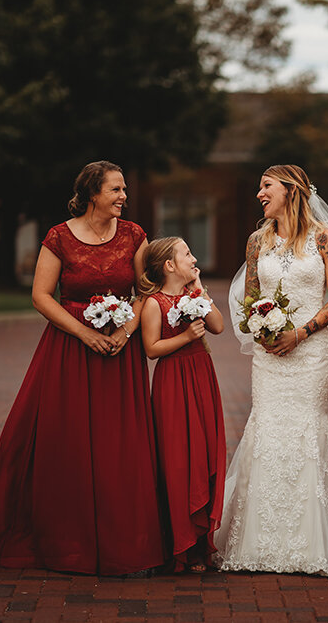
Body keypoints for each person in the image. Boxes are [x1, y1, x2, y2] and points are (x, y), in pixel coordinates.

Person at [0, 160, 165, 576]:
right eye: (115, 190)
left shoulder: (135, 236)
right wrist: (83, 333)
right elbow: (42, 296)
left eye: (124, 190)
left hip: (119, 354)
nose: (123, 197)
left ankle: (122, 542)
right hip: (69, 351)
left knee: (119, 445)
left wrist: (125, 334)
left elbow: (144, 293)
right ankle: (65, 541)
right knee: (67, 439)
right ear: (93, 192)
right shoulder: (58, 237)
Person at [217, 164, 328, 576]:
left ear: (290, 190)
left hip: (310, 354)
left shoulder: (326, 240)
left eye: (266, 186)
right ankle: (258, 542)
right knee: (268, 430)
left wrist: (301, 333)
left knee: (305, 432)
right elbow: (252, 296)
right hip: (270, 356)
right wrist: (262, 330)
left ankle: (308, 547)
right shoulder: (257, 241)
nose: (259, 194)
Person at [137, 237, 226, 573]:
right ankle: (180, 546)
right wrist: (186, 337)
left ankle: (201, 544)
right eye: (187, 253)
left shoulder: (193, 295)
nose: (194, 257)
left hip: (202, 375)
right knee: (177, 459)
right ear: (169, 265)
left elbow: (217, 326)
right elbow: (151, 348)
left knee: (203, 453)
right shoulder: (153, 303)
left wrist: (200, 288)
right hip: (173, 381)